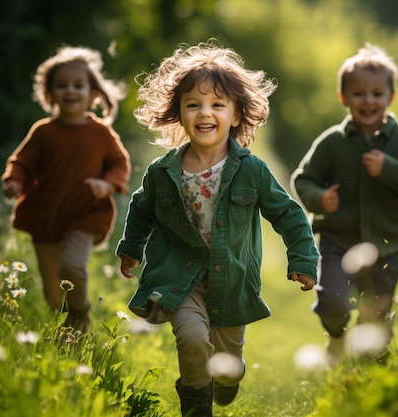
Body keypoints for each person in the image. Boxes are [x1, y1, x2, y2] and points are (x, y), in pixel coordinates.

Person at [115, 41, 319, 417]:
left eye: (217, 104)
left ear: (237, 114)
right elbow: (142, 208)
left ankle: (227, 379)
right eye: (193, 104)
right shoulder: (162, 172)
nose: (204, 112)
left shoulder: (251, 170)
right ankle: (196, 406)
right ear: (178, 113)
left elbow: (288, 214)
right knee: (191, 339)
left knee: (228, 364)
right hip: (181, 277)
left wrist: (303, 258)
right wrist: (131, 247)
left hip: (233, 281)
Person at [291, 43, 398, 364]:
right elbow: (302, 179)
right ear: (343, 98)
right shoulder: (332, 141)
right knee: (333, 303)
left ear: (390, 98)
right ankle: (335, 336)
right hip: (338, 241)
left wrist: (390, 168)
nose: (368, 100)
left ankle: (371, 377)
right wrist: (320, 199)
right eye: (359, 93)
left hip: (386, 245)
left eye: (377, 93)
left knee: (376, 316)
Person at [2, 45, 131, 333]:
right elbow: (22, 162)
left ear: (93, 93)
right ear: (49, 94)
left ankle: (80, 314)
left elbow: (119, 163)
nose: (69, 91)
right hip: (44, 217)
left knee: (72, 268)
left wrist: (107, 183)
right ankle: (63, 324)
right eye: (61, 86)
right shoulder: (44, 131)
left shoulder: (100, 133)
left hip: (85, 215)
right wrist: (14, 181)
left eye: (77, 85)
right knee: (52, 291)